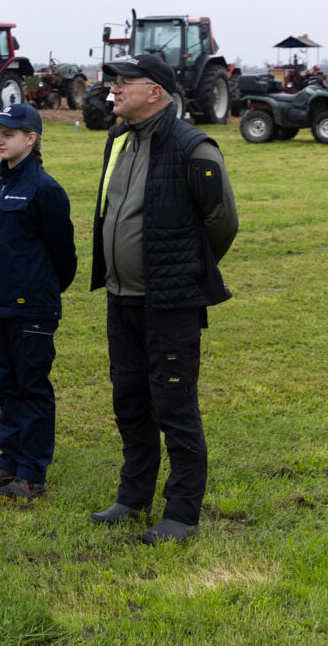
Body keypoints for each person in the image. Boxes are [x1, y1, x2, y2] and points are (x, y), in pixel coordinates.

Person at [89, 54, 237, 545]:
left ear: (155, 91)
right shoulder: (118, 140)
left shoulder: (194, 147)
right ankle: (133, 498)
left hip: (169, 303)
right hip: (121, 299)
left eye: (124, 83)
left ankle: (181, 515)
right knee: (130, 402)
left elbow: (221, 223)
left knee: (174, 407)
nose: (114, 90)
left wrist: (182, 270)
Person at [0, 102, 76, 501]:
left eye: (9, 134)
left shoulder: (45, 190)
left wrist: (37, 290)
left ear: (31, 139)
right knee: (6, 384)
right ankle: (8, 462)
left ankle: (32, 472)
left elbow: (64, 256)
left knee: (32, 387)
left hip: (30, 307)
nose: (0, 139)